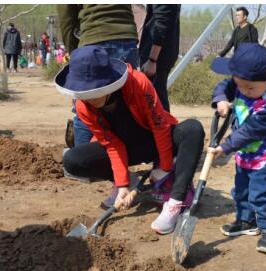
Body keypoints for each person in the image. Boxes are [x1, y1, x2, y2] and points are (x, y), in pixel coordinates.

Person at [55, 45, 205, 234]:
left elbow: (160, 127)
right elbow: (112, 144)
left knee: (193, 129)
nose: (89, 98)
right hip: (126, 148)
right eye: (83, 93)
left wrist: (165, 168)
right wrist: (122, 184)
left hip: (156, 138)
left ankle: (174, 202)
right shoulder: (83, 106)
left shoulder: (137, 82)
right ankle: (132, 182)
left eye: (93, 91)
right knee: (73, 160)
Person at [209, 43, 266, 254]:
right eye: (241, 85)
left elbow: (250, 131)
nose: (244, 91)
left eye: (250, 88)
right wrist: (222, 100)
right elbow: (225, 86)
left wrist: (225, 147)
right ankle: (247, 222)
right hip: (247, 151)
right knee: (241, 189)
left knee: (259, 193)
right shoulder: (245, 82)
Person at [57, 4, 140, 147]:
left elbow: (65, 11)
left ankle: (85, 165)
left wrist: (75, 54)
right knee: (124, 107)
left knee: (86, 109)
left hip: (94, 36)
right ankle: (119, 164)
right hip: (126, 37)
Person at [139, 4, 181, 113]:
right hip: (161, 56)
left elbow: (161, 24)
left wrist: (152, 60)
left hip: (156, 59)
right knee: (156, 101)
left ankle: (165, 129)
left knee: (156, 104)